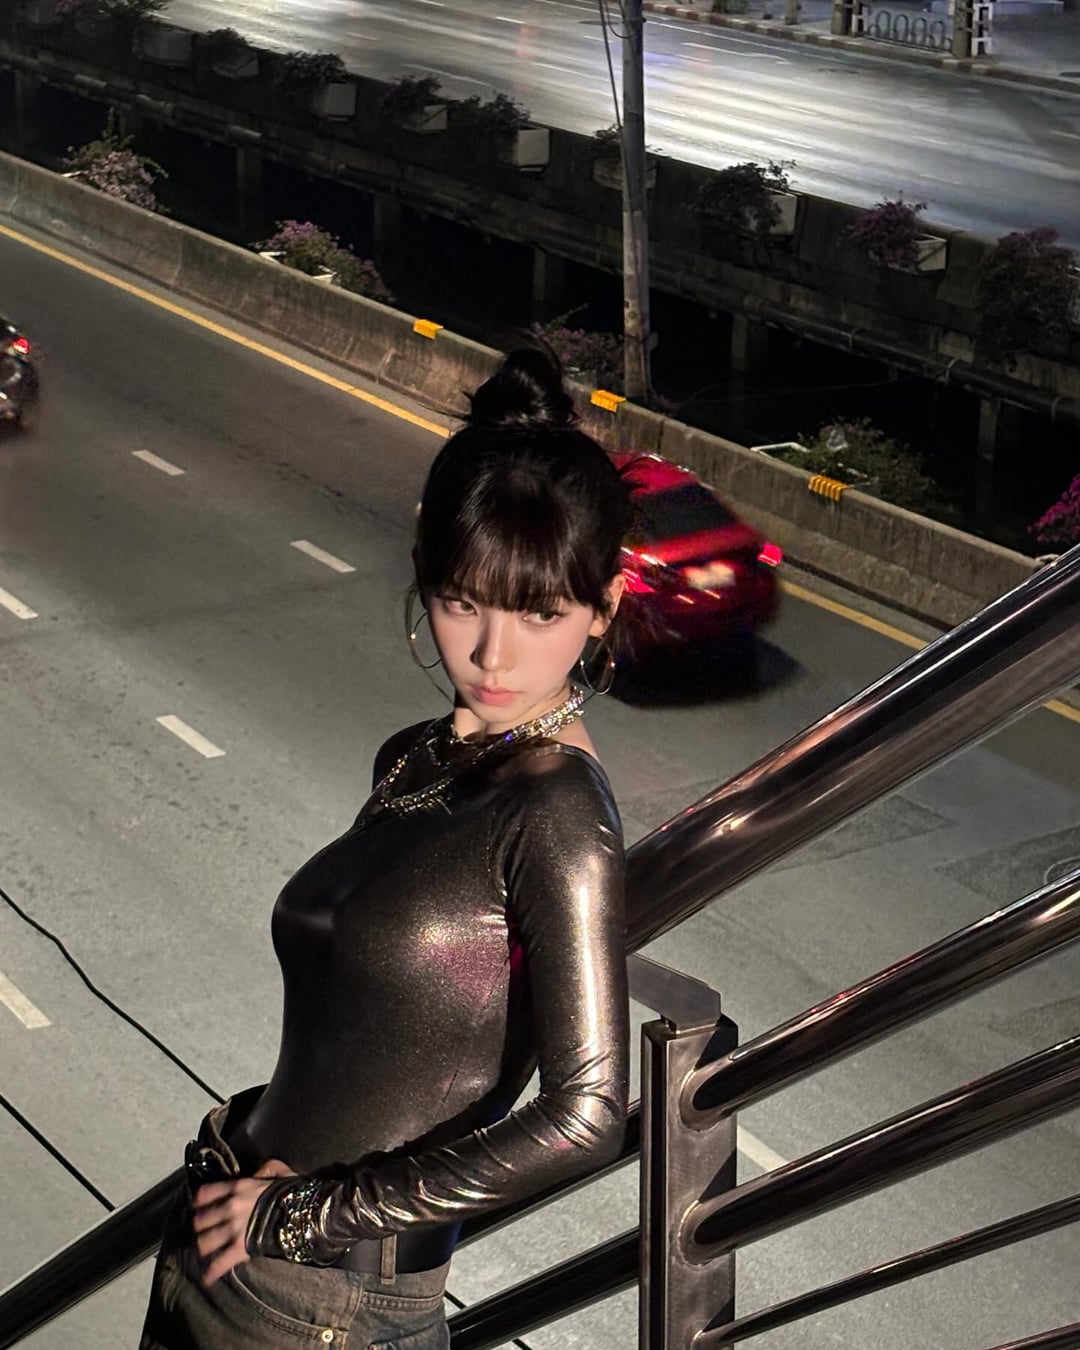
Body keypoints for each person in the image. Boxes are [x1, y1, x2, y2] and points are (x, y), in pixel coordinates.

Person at [139, 347, 633, 1349]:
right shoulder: (420, 755)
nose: (493, 654)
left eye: (541, 613)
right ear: (423, 576)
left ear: (604, 607)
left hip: (325, 1306)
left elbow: (587, 1115)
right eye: (463, 601)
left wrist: (304, 1216)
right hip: (220, 1230)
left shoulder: (558, 811)